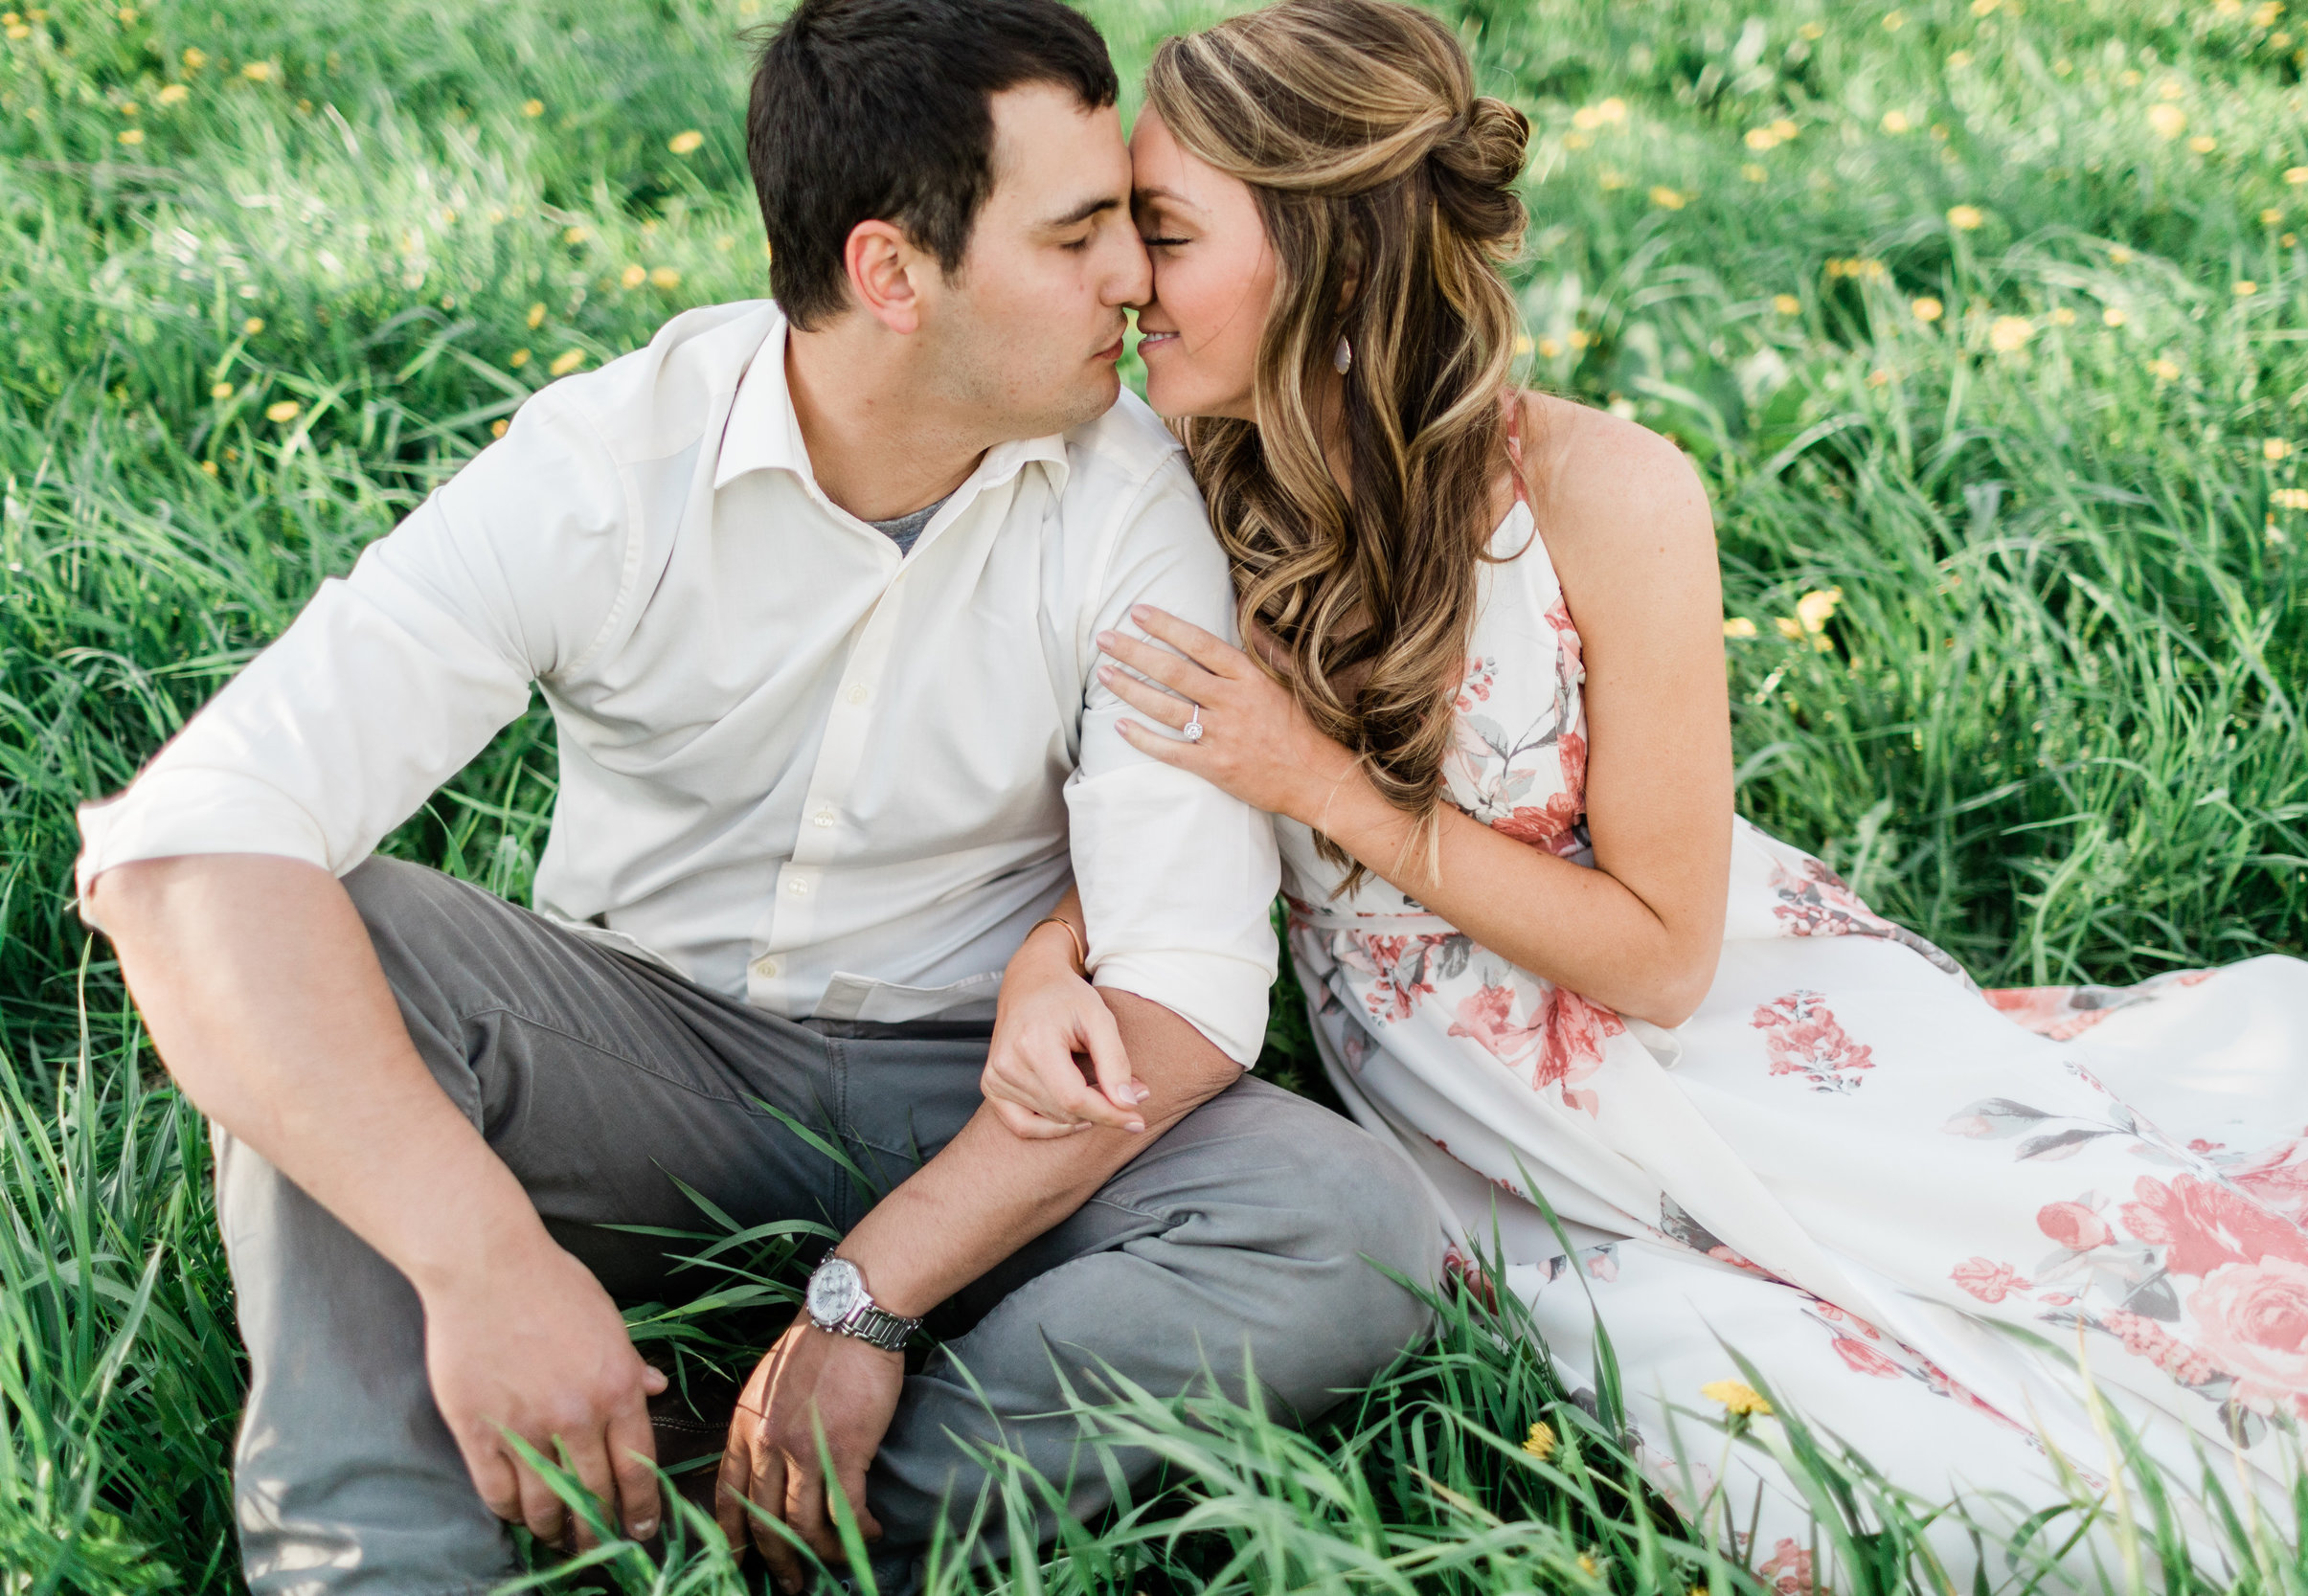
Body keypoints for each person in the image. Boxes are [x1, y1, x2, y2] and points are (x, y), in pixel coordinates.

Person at [983, 0, 2308, 1574]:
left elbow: (1663, 957)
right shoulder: (1165, 477)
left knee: (2144, 1322)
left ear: (1338, 256)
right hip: (1466, 1126)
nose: (1121, 282)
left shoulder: (1608, 494)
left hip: (1716, 1035)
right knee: (1812, 1435)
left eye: (1161, 235)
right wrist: (1048, 965)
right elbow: (1140, 790)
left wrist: (1321, 781)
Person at [73, 1, 1440, 1590]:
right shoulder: (609, 466)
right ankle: (388, 1561)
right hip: (642, 1060)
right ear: (891, 274)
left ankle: (776, 1513)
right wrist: (487, 1262)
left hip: (986, 1100)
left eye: (1130, 231)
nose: (1132, 281)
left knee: (1344, 1222)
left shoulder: (1131, 502)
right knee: (329, 948)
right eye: (1077, 238)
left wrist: (862, 1302)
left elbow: (1189, 996)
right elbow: (186, 849)